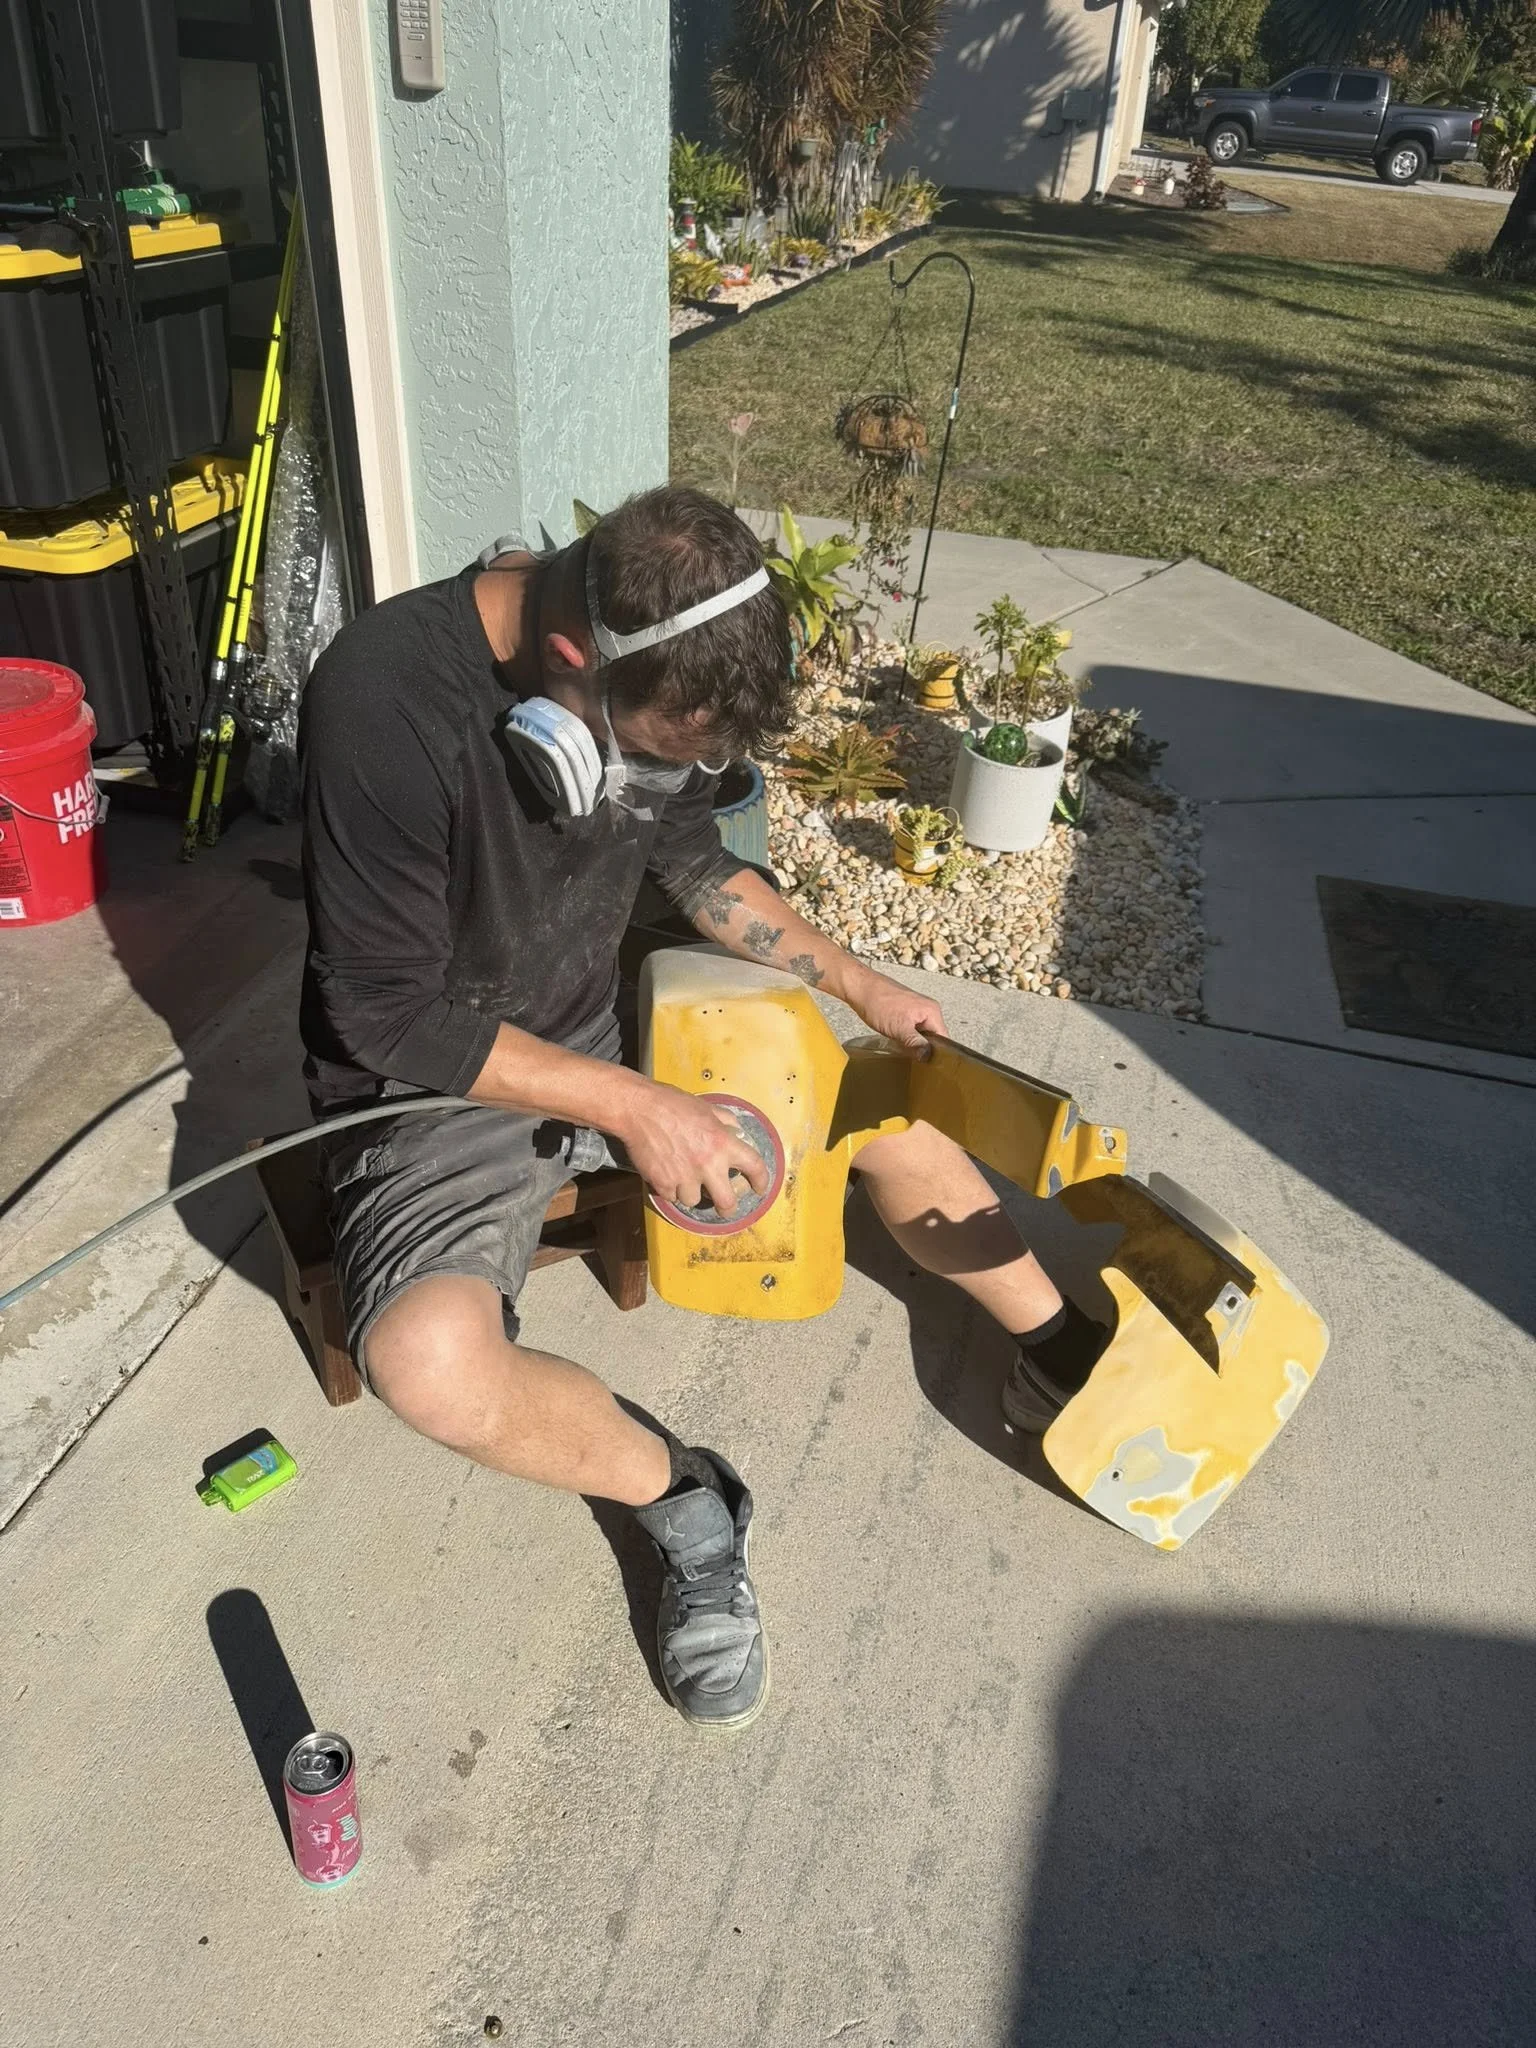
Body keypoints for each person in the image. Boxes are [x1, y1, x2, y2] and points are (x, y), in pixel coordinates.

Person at [299, 486, 1103, 1733]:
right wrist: (637, 1105)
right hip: (440, 1074)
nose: (671, 779)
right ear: (572, 657)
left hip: (602, 1006)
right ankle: (686, 1499)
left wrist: (857, 984)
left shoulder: (652, 672)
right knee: (429, 1363)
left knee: (876, 1099)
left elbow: (695, 864)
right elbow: (384, 1014)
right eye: (661, 751)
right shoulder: (383, 699)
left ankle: (1065, 1356)